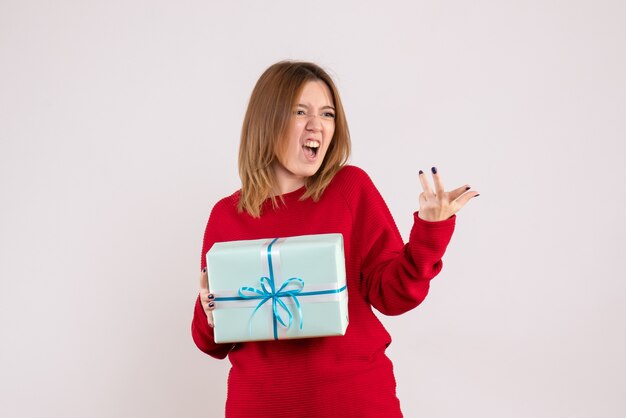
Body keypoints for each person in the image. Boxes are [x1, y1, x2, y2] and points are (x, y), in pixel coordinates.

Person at [191, 60, 479, 417]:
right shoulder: (226, 215)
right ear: (268, 121)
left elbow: (392, 294)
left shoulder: (350, 189)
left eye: (327, 114)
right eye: (301, 111)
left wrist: (430, 231)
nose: (317, 125)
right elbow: (210, 342)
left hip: (355, 403)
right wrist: (209, 309)